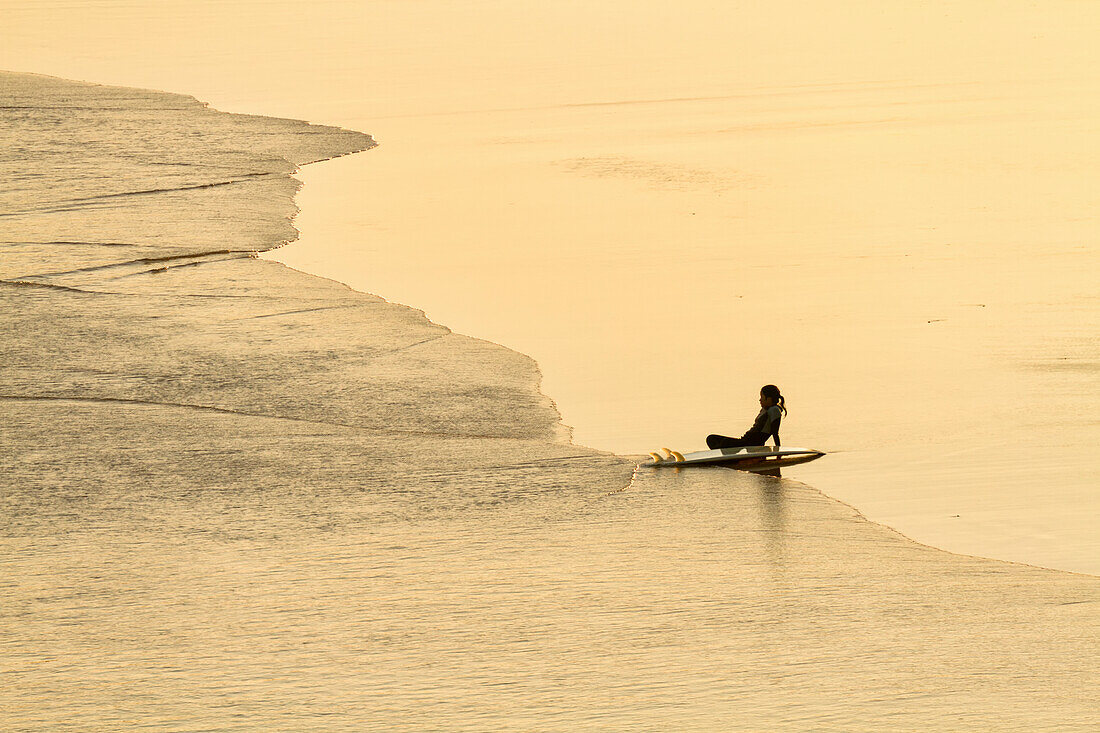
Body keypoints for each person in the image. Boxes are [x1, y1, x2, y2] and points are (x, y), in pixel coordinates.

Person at [706, 384, 786, 449]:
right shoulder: (766, 409)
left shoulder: (774, 410)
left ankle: (723, 460)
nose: (760, 400)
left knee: (721, 442)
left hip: (750, 444)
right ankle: (725, 459)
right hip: (745, 441)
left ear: (769, 399)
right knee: (711, 438)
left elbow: (775, 433)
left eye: (762, 397)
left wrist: (778, 450)